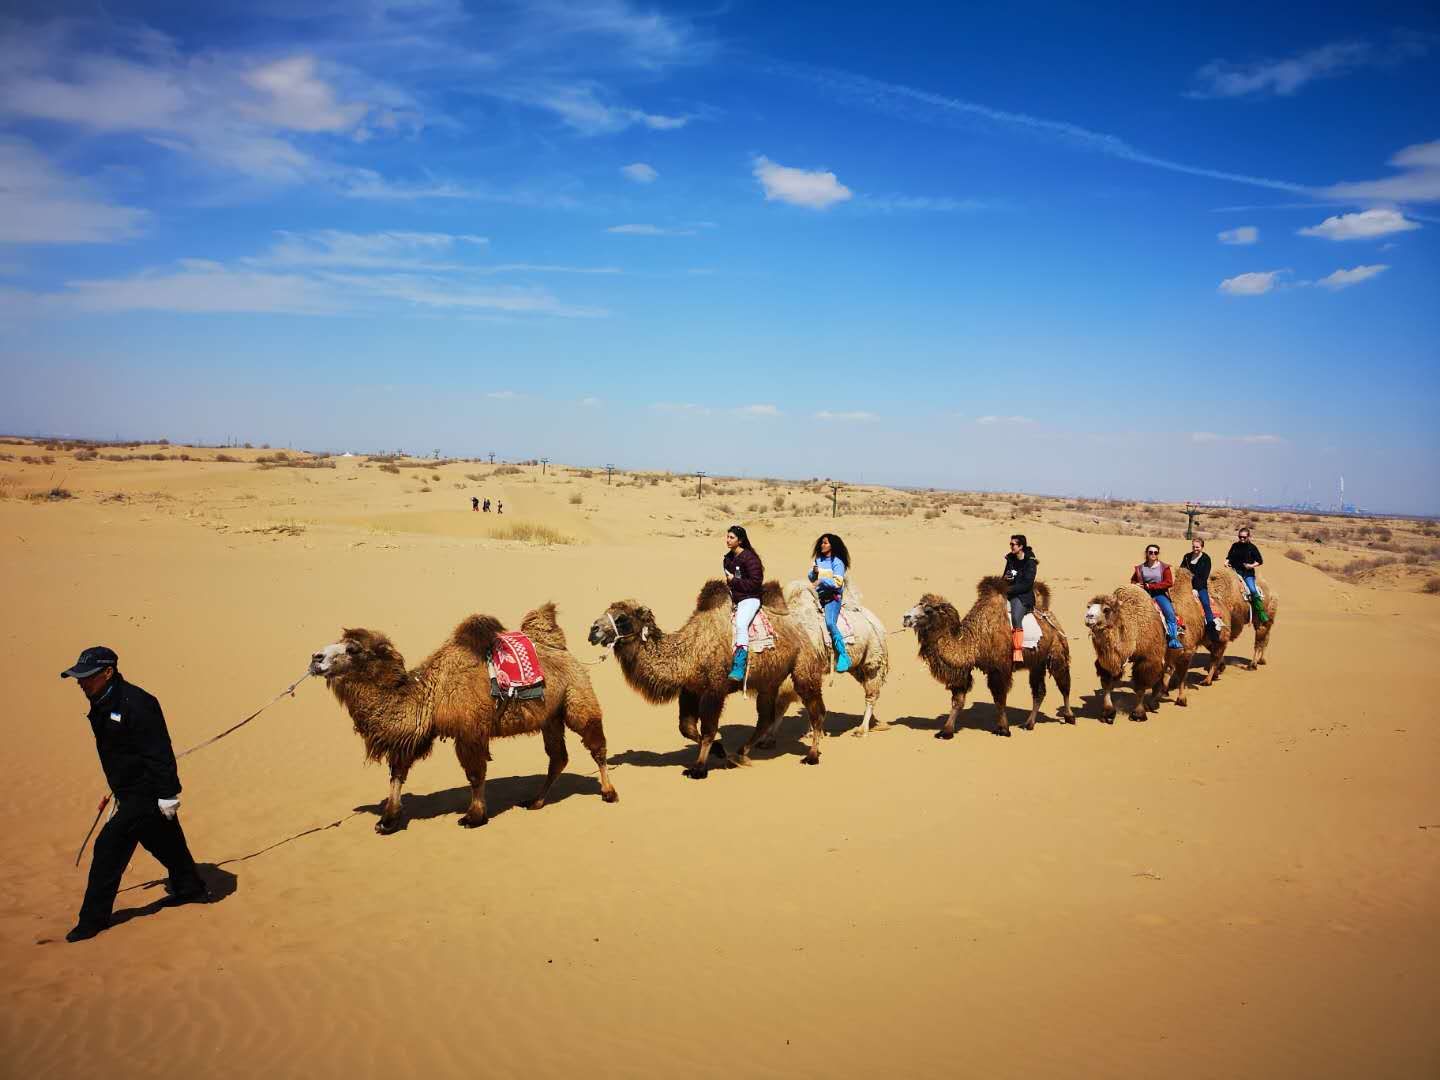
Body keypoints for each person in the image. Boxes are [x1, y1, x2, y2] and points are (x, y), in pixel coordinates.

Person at [60, 646, 209, 943]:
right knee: (164, 841)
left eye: (87, 677)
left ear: (108, 672)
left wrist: (167, 793)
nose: (81, 682)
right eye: (79, 676)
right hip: (127, 788)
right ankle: (190, 887)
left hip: (146, 790)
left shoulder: (137, 704)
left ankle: (92, 921)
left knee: (108, 847)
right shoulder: (101, 699)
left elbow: (159, 752)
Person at [722, 525, 764, 681]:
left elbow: (755, 583)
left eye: (731, 537)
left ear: (740, 540)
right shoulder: (727, 558)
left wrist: (735, 581)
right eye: (727, 536)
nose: (728, 540)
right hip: (733, 598)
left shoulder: (750, 558)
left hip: (749, 598)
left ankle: (739, 665)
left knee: (740, 624)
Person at [807, 533, 852, 674]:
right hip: (816, 596)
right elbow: (811, 578)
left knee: (830, 623)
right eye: (821, 543)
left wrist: (821, 581)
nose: (822, 545)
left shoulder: (837, 562)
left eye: (825, 543)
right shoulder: (818, 560)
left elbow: (838, 583)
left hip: (832, 598)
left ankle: (844, 655)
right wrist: (814, 573)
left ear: (832, 545)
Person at [1132, 544, 1182, 649]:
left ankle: (1173, 638)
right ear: (1147, 553)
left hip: (1159, 594)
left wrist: (1151, 586)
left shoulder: (1164, 567)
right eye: (1151, 552)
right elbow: (1133, 580)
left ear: (1158, 554)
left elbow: (1168, 583)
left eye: (1155, 552)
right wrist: (1135, 584)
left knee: (1169, 612)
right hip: (1143, 594)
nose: (1153, 554)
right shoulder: (1140, 568)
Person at [1002, 534, 1038, 664]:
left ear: (1021, 546)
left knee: (1016, 617)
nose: (1011, 546)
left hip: (1023, 596)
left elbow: (1027, 583)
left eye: (1013, 544)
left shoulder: (1030, 562)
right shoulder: (1011, 559)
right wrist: (1006, 580)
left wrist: (1010, 589)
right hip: (1008, 593)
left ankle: (1017, 651)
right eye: (1010, 544)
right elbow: (1004, 576)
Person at [1226, 526, 1269, 624]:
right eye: (1240, 537)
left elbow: (1259, 561)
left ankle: (1261, 613)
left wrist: (1251, 566)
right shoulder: (1235, 546)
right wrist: (1226, 562)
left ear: (1248, 537)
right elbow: (1229, 556)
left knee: (1252, 590)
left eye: (1244, 537)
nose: (1242, 539)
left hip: (1247, 574)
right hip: (1234, 572)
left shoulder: (1252, 548)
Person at [1180, 537, 1218, 640]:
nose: (1195, 548)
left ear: (1202, 547)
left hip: (1200, 586)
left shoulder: (1206, 559)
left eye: (1197, 547)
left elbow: (1203, 577)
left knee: (1205, 603)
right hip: (1186, 585)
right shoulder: (1187, 557)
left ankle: (1211, 628)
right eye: (1193, 546)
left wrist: (1195, 589)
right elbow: (1182, 571)